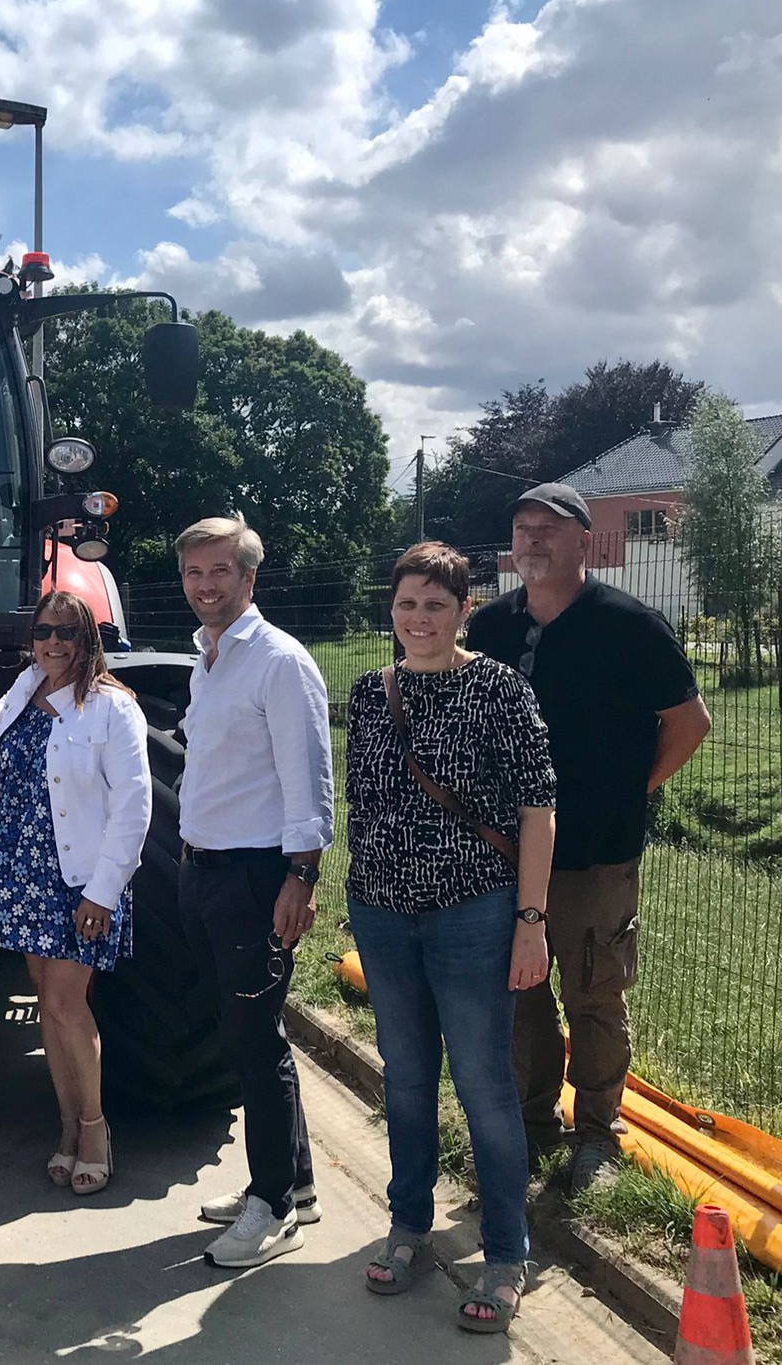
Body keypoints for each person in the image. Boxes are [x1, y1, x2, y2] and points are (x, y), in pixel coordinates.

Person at [467, 483, 711, 1192]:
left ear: (587, 543)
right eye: (521, 528)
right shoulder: (491, 628)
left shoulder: (630, 624)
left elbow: (689, 723)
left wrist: (626, 792)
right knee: (519, 992)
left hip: (594, 853)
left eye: (549, 528)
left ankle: (597, 1133)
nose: (533, 540)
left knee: (595, 990)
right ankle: (531, 1124)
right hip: (505, 852)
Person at [345, 541, 556, 1332]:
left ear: (465, 608)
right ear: (390, 610)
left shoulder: (499, 688)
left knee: (482, 1084)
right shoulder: (373, 693)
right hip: (384, 912)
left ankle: (506, 1251)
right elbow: (365, 802)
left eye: (436, 604)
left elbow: (538, 808)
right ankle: (409, 1225)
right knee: (404, 1078)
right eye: (406, 604)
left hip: (474, 912)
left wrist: (531, 921)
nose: (419, 618)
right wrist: (363, 894)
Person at [174, 514, 332, 1269]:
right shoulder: (207, 660)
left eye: (219, 572)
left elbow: (308, 781)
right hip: (202, 870)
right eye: (194, 574)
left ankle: (269, 1203)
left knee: (254, 1039)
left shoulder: (278, 661)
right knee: (242, 1035)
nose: (205, 586)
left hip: (255, 876)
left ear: (249, 577)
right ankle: (290, 1184)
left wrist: (301, 876)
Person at [0, 590, 152, 1196]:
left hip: (76, 880)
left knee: (71, 1005)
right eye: (44, 631)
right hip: (21, 870)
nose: (54, 643)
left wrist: (102, 892)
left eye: (67, 634)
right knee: (48, 1003)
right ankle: (68, 1127)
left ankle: (95, 1131)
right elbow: (3, 707)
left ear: (88, 641)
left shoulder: (111, 709)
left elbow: (134, 806)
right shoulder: (27, 686)